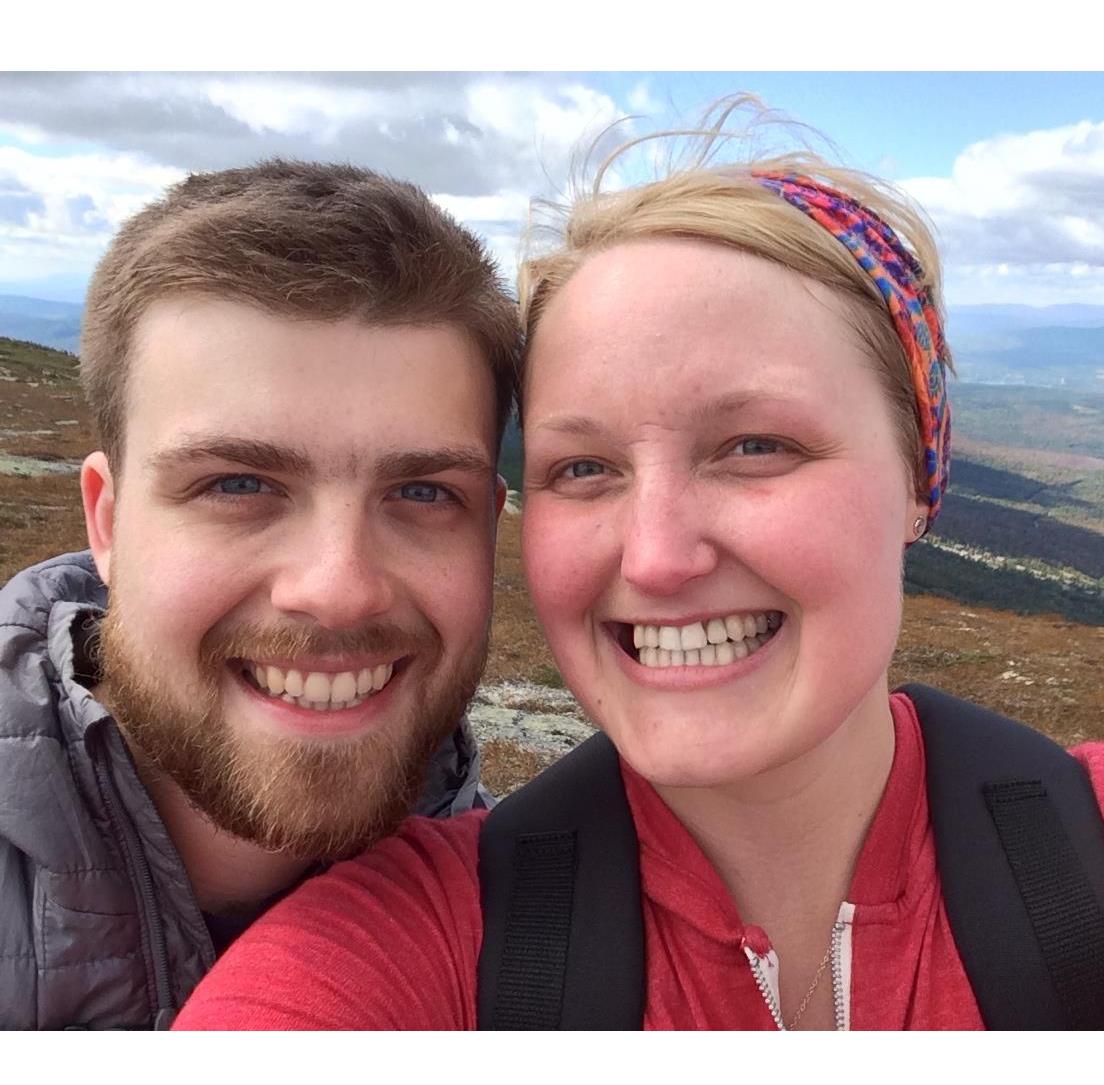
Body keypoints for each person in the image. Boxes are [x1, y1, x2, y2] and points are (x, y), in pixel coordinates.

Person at [173, 103, 1104, 1030]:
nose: (657, 559)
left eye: (755, 446)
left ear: (918, 477)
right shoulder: (403, 947)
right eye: (583, 469)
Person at [0, 160, 521, 1030]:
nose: (339, 590)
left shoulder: (542, 928)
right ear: (109, 524)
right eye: (238, 485)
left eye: (424, 493)